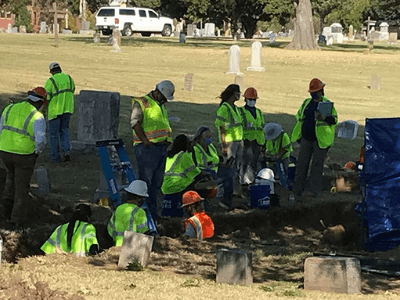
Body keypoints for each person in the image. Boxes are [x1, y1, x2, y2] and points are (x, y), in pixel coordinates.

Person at [0, 87, 47, 225]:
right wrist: (36, 153)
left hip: (4, 152)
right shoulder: (37, 116)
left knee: (10, 180)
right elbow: (41, 140)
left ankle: (4, 212)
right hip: (24, 156)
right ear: (40, 102)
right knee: (21, 188)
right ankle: (16, 221)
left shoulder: (9, 108)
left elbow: (1, 128)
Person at [131, 80, 175, 221]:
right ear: (157, 92)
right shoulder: (143, 102)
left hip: (160, 148)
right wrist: (146, 142)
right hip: (147, 149)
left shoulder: (159, 105)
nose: (165, 101)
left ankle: (153, 214)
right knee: (146, 183)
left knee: (157, 183)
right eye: (164, 97)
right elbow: (135, 123)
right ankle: (144, 215)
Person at [291, 78, 338, 199]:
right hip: (306, 139)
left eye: (315, 91)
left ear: (321, 91)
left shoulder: (327, 105)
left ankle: (313, 192)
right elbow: (299, 118)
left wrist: (323, 118)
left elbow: (334, 120)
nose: (313, 94)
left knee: (316, 167)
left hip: (320, 142)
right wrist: (299, 136)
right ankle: (297, 191)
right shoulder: (306, 103)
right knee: (301, 165)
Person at [214, 84, 243, 209]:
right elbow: (222, 127)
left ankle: (230, 192)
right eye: (237, 93)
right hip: (230, 142)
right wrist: (224, 145)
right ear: (232, 93)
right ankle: (222, 195)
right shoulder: (224, 108)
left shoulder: (235, 108)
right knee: (228, 170)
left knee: (234, 169)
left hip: (237, 141)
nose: (239, 95)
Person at [44, 62, 75, 163]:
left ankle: (55, 157)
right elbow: (73, 89)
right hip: (68, 109)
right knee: (64, 131)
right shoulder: (69, 78)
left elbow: (46, 97)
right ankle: (66, 152)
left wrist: (43, 110)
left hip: (55, 111)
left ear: (51, 71)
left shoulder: (51, 80)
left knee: (53, 134)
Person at [238, 87, 265, 197]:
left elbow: (261, 128)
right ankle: (243, 186)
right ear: (245, 99)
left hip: (257, 142)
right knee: (244, 165)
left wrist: (263, 144)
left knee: (253, 164)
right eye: (250, 99)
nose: (252, 101)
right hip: (247, 142)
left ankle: (252, 184)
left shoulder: (258, 112)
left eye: (254, 99)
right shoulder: (241, 112)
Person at [107, 180, 149, 246]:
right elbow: (143, 233)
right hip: (132, 249)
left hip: (116, 247)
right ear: (139, 199)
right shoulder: (139, 212)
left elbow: (110, 230)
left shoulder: (119, 209)